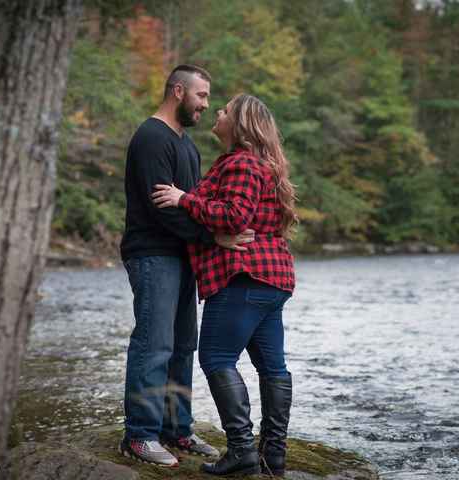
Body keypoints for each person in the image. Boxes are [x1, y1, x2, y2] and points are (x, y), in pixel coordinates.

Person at [152, 93, 297, 477]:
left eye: (226, 111)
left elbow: (234, 217)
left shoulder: (242, 164)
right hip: (272, 280)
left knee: (216, 358)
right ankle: (273, 455)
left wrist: (183, 199)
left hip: (243, 277)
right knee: (273, 366)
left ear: (240, 124)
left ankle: (242, 450)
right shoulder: (260, 163)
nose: (218, 112)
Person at [119, 65, 255, 467]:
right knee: (153, 344)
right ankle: (140, 435)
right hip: (152, 253)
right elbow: (163, 209)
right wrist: (212, 237)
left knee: (182, 346)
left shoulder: (188, 146)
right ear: (178, 91)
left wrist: (210, 233)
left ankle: (176, 429)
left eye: (209, 99)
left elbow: (192, 205)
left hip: (182, 257)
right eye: (201, 96)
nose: (206, 105)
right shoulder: (151, 137)